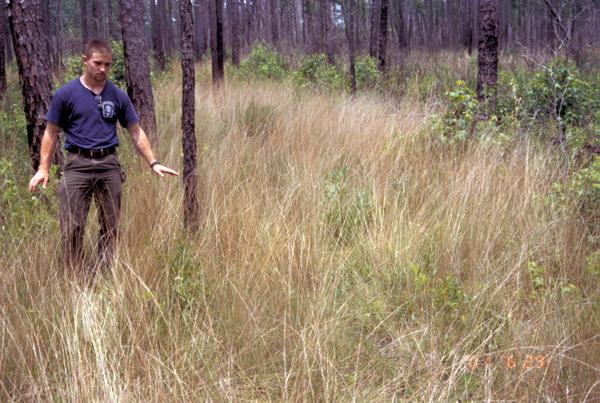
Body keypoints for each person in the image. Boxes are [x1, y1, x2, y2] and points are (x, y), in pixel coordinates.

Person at [28, 39, 178, 274]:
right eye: (98, 63)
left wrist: (154, 162)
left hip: (109, 165)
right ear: (85, 61)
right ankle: (75, 276)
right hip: (77, 164)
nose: (103, 69)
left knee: (111, 225)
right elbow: (51, 132)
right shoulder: (66, 94)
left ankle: (105, 274)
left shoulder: (117, 95)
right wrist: (43, 168)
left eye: (107, 64)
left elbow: (136, 132)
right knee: (72, 227)